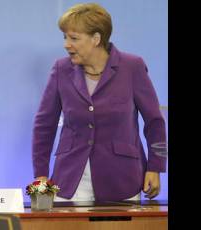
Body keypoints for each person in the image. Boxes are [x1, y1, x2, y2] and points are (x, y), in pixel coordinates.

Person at [32, 3, 167, 202]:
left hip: (123, 180)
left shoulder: (132, 67)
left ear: (96, 39)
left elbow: (154, 121)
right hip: (70, 179)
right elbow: (44, 124)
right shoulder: (61, 69)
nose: (66, 44)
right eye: (65, 37)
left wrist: (155, 167)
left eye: (74, 38)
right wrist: (40, 176)